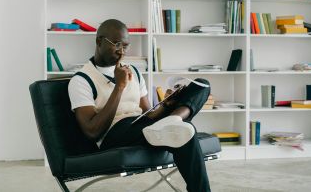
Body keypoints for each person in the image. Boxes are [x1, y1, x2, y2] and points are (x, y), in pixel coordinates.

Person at [68, 19, 211, 192]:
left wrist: (166, 105)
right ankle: (174, 122)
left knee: (202, 85)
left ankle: (174, 118)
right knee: (184, 129)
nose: (122, 51)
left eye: (126, 46)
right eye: (117, 44)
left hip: (144, 126)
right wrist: (119, 87)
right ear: (99, 41)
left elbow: (149, 114)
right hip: (114, 135)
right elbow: (92, 132)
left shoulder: (134, 71)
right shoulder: (81, 80)